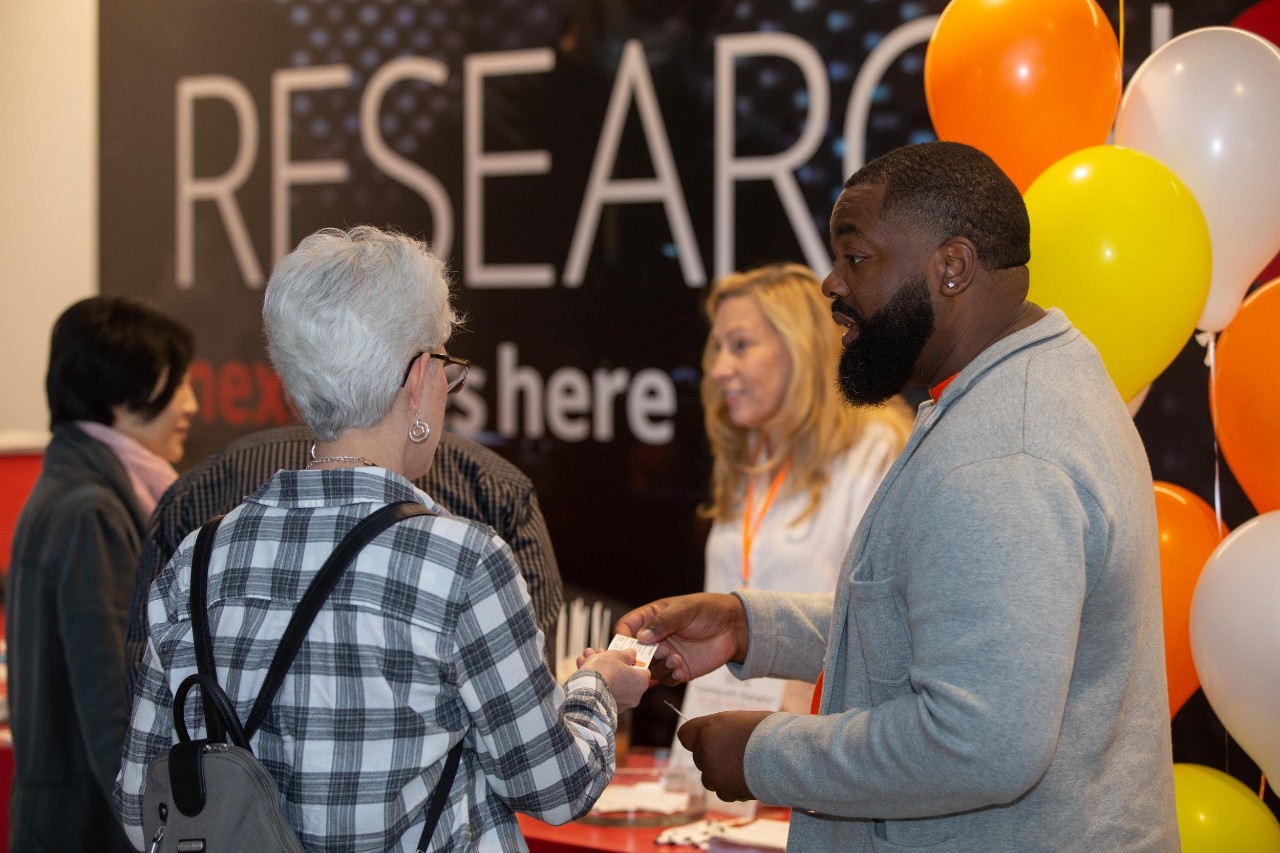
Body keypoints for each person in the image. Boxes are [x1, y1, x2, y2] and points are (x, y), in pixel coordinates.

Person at [618, 142, 1179, 851]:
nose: (830, 283)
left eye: (856, 258)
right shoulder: (1011, 388)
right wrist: (752, 626)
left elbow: (977, 740)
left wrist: (766, 752)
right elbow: (941, 628)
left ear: (951, 266)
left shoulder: (1005, 450)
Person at [115, 226, 649, 851]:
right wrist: (598, 691)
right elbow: (555, 787)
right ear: (419, 378)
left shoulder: (199, 560)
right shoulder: (463, 563)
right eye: (446, 365)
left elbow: (140, 803)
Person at [123, 422, 564, 698]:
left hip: (231, 821)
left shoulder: (198, 496)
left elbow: (144, 686)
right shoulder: (494, 493)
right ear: (416, 377)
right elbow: (524, 680)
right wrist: (595, 690)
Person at [6, 296, 196, 853]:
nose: (191, 404)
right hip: (90, 829)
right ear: (123, 393)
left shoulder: (72, 489)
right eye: (177, 383)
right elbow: (114, 705)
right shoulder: (93, 511)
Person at [699, 263, 910, 712]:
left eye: (740, 346)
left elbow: (882, 619)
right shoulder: (746, 456)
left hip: (815, 742)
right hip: (720, 735)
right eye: (717, 348)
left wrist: (800, 707)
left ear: (799, 347)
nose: (718, 368)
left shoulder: (875, 451)